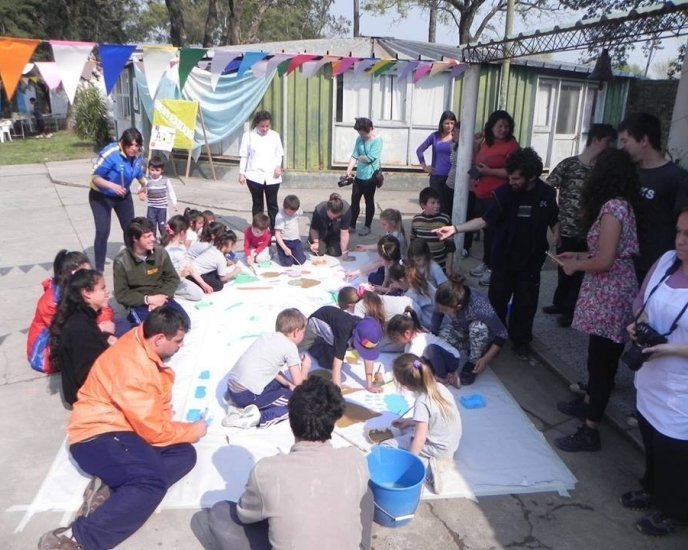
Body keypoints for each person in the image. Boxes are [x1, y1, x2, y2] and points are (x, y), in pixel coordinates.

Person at [38, 307, 207, 550]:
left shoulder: (142, 342)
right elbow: (153, 432)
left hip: (123, 428)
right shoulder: (133, 366)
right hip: (96, 435)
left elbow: (152, 416)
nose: (181, 346)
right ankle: (76, 538)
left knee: (184, 454)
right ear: (159, 338)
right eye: (178, 340)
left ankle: (114, 489)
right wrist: (194, 430)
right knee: (151, 482)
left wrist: (180, 430)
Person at [208, 376, 373, 550]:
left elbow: (245, 515)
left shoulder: (267, 471)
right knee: (366, 493)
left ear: (291, 421)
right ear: (334, 421)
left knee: (220, 513)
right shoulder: (356, 460)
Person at [553, 148, 641, 453]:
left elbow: (604, 260)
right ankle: (589, 402)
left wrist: (576, 265)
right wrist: (576, 255)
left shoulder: (613, 209)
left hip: (611, 294)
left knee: (602, 362)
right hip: (609, 291)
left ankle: (590, 429)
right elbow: (607, 253)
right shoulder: (617, 206)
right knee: (597, 356)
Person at [435, 147, 558, 360]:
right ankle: (494, 339)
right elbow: (484, 220)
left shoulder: (546, 194)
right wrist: (455, 229)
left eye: (516, 178)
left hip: (532, 260)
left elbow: (554, 219)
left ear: (532, 176)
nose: (511, 182)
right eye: (510, 177)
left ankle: (520, 342)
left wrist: (557, 233)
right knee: (497, 301)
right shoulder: (504, 194)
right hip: (504, 259)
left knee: (526, 303)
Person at [619, 209, 688, 536]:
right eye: (678, 231)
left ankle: (675, 510)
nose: (681, 241)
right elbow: (640, 300)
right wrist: (638, 324)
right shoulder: (667, 261)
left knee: (673, 448)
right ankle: (652, 489)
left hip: (682, 386)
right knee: (649, 434)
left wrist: (673, 348)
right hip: (651, 373)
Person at [543, 124, 618, 327]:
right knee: (563, 267)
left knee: (580, 273)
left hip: (591, 232)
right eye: (607, 142)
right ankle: (560, 303)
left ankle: (571, 310)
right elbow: (547, 190)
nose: (610, 147)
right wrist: (555, 224)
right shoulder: (569, 165)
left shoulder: (604, 172)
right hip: (566, 228)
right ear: (595, 140)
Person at [618, 112, 688, 283]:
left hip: (657, 267)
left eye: (625, 140)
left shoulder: (676, 178)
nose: (621, 147)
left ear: (643, 140)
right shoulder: (628, 174)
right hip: (624, 264)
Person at [382, 353, 461, 493]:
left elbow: (420, 438)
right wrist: (409, 422)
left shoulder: (422, 402)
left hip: (437, 449)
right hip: (451, 444)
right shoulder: (439, 387)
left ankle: (427, 468)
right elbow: (435, 418)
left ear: (405, 386)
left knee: (386, 446)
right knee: (407, 431)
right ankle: (437, 462)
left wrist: (410, 464)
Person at [27, 249, 114, 374]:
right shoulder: (50, 302)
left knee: (120, 329)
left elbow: (104, 306)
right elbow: (65, 332)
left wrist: (105, 321)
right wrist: (98, 329)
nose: (89, 276)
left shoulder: (84, 288)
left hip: (84, 329)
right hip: (48, 346)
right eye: (84, 272)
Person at [223, 308, 311, 429]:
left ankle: (238, 403)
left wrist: (287, 383)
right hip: (245, 395)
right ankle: (257, 418)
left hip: (233, 387)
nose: (304, 335)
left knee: (283, 385)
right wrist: (305, 367)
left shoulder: (266, 336)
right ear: (296, 332)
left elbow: (270, 369)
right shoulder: (290, 347)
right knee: (298, 401)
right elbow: (300, 385)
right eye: (303, 332)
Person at [49, 269, 115, 406]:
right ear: (87, 293)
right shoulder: (81, 328)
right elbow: (88, 375)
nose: (107, 292)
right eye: (102, 288)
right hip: (84, 397)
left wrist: (105, 339)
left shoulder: (81, 317)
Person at [469, 110, 520, 286]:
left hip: (498, 195)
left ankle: (494, 268)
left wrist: (488, 172)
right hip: (481, 193)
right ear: (491, 127)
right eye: (499, 125)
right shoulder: (486, 142)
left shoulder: (512, 146)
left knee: (497, 232)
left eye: (506, 126)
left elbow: (514, 172)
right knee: (486, 231)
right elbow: (477, 163)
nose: (503, 129)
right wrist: (475, 146)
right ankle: (486, 262)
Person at [431, 273, 508, 386]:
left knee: (478, 328)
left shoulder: (479, 307)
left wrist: (486, 359)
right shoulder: (445, 296)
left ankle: (473, 362)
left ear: (458, 307)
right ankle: (466, 350)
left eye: (445, 310)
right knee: (440, 339)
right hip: (461, 329)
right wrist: (432, 336)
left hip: (480, 335)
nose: (441, 311)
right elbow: (437, 314)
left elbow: (502, 333)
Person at [113, 217, 187, 326]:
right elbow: (121, 294)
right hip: (140, 301)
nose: (153, 239)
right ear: (135, 238)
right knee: (151, 331)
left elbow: (172, 278)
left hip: (162, 296)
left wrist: (161, 296)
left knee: (183, 324)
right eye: (147, 236)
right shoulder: (122, 261)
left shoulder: (160, 252)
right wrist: (148, 299)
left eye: (153, 234)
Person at [89, 128, 146, 271]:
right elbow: (95, 177)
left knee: (130, 229)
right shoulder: (111, 153)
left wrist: (144, 188)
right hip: (101, 196)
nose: (134, 149)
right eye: (130, 145)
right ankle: (99, 270)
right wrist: (111, 185)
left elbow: (139, 175)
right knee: (103, 231)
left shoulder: (138, 155)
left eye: (137, 145)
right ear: (123, 143)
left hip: (122, 195)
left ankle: (134, 262)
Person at [301, 306, 383, 393]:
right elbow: (337, 365)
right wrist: (337, 391)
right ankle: (316, 346)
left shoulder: (366, 331)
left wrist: (369, 386)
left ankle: (322, 347)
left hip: (334, 327)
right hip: (317, 322)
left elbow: (369, 359)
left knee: (328, 364)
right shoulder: (344, 333)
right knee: (325, 361)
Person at [387, 308, 461, 387]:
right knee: (421, 363)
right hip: (439, 360)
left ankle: (444, 377)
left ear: (407, 333)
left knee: (430, 350)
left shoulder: (418, 342)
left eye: (396, 338)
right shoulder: (411, 342)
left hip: (452, 359)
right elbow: (406, 359)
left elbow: (410, 365)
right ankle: (442, 373)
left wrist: (391, 375)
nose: (395, 341)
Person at [239, 110, 284, 233]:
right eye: (262, 126)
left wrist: (277, 167)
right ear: (256, 124)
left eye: (267, 126)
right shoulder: (248, 136)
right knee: (257, 204)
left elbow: (279, 154)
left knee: (272, 204)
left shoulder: (275, 135)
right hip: (254, 176)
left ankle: (275, 230)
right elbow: (244, 155)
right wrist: (241, 173)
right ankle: (258, 229)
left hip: (272, 177)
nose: (264, 129)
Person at [161, 215, 213, 300]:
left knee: (200, 291)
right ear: (182, 232)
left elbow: (189, 266)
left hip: (180, 279)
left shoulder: (181, 245)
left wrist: (203, 283)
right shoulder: (169, 250)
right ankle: (170, 294)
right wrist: (181, 274)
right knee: (197, 295)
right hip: (171, 282)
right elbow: (164, 275)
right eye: (187, 231)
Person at [416, 111, 458, 216]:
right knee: (436, 206)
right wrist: (425, 167)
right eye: (447, 123)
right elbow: (419, 150)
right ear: (442, 124)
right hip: (436, 177)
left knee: (449, 206)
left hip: (452, 177)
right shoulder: (435, 136)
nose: (449, 126)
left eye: (452, 123)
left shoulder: (456, 138)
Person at [346, 117, 383, 236]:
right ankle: (352, 225)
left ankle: (367, 226)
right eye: (359, 133)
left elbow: (370, 158)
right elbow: (354, 155)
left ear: (370, 129)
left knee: (369, 201)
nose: (361, 135)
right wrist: (349, 170)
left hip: (371, 176)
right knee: (354, 200)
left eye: (363, 133)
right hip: (359, 175)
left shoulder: (377, 140)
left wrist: (360, 158)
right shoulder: (359, 139)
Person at [411, 187, 455, 273]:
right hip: (422, 266)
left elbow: (450, 246)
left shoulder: (445, 220)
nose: (437, 205)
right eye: (433, 203)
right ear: (423, 205)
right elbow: (413, 244)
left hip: (440, 265)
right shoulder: (416, 220)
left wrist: (449, 268)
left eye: (438, 202)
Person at [387, 262, 436, 329]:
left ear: (401, 280)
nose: (392, 285)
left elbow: (411, 318)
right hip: (442, 319)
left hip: (431, 325)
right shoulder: (419, 280)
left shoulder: (411, 295)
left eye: (393, 282)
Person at [138, 155, 177, 238]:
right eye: (152, 170)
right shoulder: (146, 180)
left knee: (162, 226)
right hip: (151, 208)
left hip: (162, 208)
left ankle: (165, 241)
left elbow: (171, 191)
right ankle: (153, 241)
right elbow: (140, 188)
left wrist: (174, 203)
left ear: (162, 170)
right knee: (151, 226)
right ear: (148, 169)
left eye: (157, 170)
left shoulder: (165, 180)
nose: (154, 172)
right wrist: (141, 193)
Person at [192, 225, 240, 291]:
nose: (233, 248)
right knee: (219, 285)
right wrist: (235, 272)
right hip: (195, 275)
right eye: (233, 245)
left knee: (216, 273)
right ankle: (197, 285)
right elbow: (222, 278)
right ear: (228, 244)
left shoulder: (214, 247)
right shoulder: (220, 258)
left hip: (194, 269)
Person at [308, 193, 354, 259]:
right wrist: (316, 242)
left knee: (337, 252)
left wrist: (344, 252)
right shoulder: (319, 210)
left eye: (335, 217)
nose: (332, 218)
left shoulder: (346, 210)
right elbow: (314, 229)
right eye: (331, 216)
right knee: (318, 251)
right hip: (321, 233)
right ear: (327, 209)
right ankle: (320, 244)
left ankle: (330, 245)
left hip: (335, 233)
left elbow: (344, 233)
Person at [274, 194, 306, 266]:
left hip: (295, 240)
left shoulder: (297, 210)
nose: (292, 214)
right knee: (287, 263)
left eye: (294, 212)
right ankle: (280, 251)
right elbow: (277, 234)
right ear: (284, 207)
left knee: (300, 261)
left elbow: (299, 211)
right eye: (289, 212)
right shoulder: (280, 216)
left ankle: (294, 252)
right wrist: (285, 248)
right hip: (285, 241)